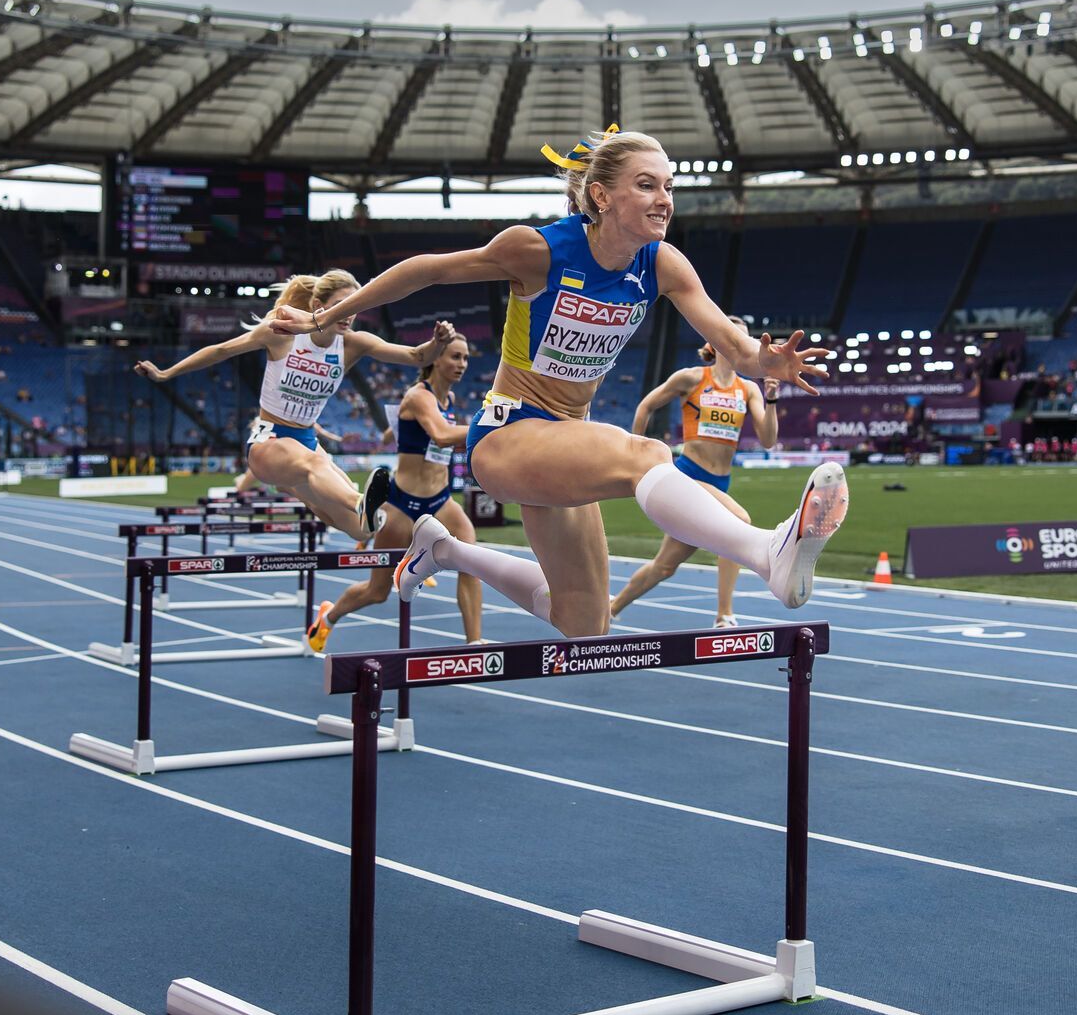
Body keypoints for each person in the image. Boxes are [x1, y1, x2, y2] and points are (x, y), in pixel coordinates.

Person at [272, 126, 846, 638]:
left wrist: (766, 363)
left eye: (669, 186)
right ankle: (767, 553)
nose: (665, 200)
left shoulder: (663, 264)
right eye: (647, 185)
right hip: (509, 434)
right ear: (601, 195)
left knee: (583, 623)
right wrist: (322, 320)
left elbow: (734, 343)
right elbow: (425, 270)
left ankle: (446, 550)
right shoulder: (539, 250)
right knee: (646, 454)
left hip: (566, 440)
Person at [133, 269, 454, 544]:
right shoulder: (282, 335)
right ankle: (360, 500)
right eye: (341, 305)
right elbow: (220, 350)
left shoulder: (355, 343)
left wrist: (437, 343)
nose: (349, 314)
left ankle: (350, 507)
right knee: (319, 469)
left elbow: (417, 357)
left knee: (360, 532)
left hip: (306, 444)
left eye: (355, 307)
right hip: (268, 442)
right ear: (318, 306)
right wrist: (167, 373)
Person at [307, 334, 484, 651]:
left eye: (466, 358)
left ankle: (474, 645)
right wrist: (491, 427)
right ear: (435, 360)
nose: (462, 365)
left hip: (441, 501)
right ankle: (328, 617)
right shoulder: (418, 396)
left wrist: (391, 433)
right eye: (455, 357)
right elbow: (442, 437)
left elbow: (406, 432)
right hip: (402, 505)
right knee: (377, 592)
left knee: (472, 563)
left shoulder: (450, 401)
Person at [608, 319, 780, 628]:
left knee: (663, 567)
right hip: (687, 476)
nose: (742, 341)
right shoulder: (691, 378)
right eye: (735, 335)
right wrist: (637, 451)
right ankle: (724, 615)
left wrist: (771, 400)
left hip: (719, 483)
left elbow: (768, 440)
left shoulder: (749, 389)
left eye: (745, 337)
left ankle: (610, 609)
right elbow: (646, 406)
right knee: (737, 524)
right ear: (717, 341)